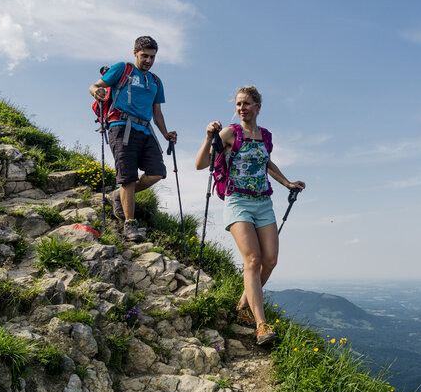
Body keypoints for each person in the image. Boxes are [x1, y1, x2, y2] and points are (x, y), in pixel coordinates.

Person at [196, 86, 306, 345]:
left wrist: (288, 184)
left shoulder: (265, 136)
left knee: (270, 260)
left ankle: (244, 302)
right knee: (253, 260)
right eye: (238, 104)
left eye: (246, 103)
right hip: (238, 201)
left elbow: (266, 163)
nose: (241, 108)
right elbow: (201, 164)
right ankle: (261, 325)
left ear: (258, 106)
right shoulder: (229, 133)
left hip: (263, 202)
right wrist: (208, 137)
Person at [88, 36, 177, 241]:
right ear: (135, 53)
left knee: (157, 173)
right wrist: (96, 92)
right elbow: (95, 85)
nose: (148, 60)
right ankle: (130, 226)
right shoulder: (123, 68)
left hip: (145, 130)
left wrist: (165, 134)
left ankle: (117, 196)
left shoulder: (155, 81)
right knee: (127, 176)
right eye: (144, 56)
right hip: (120, 126)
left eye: (152, 57)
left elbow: (157, 112)